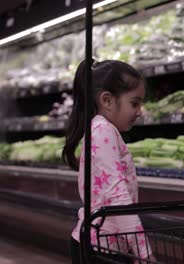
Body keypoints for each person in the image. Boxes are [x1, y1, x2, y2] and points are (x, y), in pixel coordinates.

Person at [63, 59, 154, 263]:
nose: (140, 111)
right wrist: (144, 251)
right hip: (101, 248)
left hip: (104, 244)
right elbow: (117, 195)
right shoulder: (102, 131)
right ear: (107, 100)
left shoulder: (102, 129)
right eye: (134, 103)